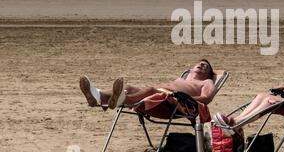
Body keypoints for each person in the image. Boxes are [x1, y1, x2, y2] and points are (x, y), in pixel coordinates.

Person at [79, 59, 217, 109]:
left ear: (208, 74)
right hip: (163, 95)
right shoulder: (184, 79)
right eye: (200, 63)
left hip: (176, 102)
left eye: (206, 67)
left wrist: (185, 98)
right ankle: (97, 95)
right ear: (192, 68)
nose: (202, 65)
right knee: (129, 88)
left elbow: (206, 98)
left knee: (150, 90)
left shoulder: (207, 82)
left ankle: (120, 99)